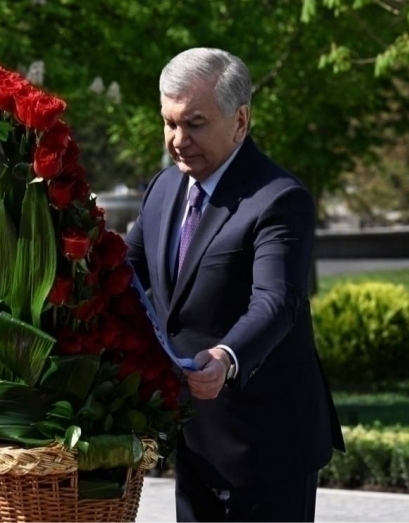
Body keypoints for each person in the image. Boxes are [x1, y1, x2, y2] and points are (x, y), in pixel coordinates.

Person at [126, 48, 345, 522]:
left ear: (240, 121)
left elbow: (276, 300)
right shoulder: (162, 189)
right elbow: (122, 274)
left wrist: (227, 357)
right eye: (169, 123)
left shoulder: (279, 199)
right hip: (194, 440)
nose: (178, 140)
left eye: (195, 124)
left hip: (268, 444)